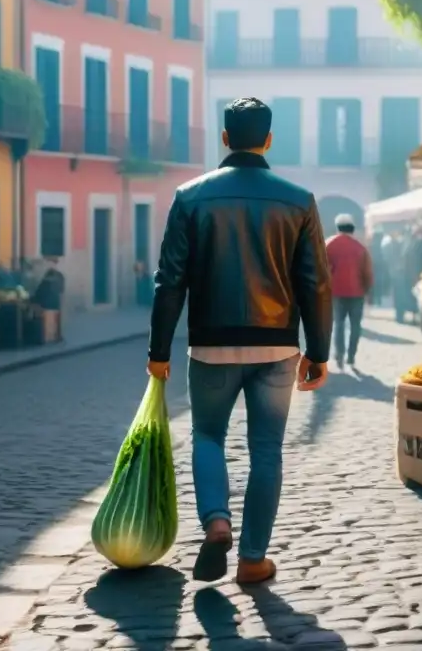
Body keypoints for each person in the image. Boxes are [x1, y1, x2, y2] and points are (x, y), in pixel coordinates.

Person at [147, 96, 333, 586]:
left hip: (210, 345)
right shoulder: (299, 200)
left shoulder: (189, 197)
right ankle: (252, 559)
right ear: (268, 139)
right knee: (266, 449)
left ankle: (216, 523)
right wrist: (319, 351)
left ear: (224, 138)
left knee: (207, 435)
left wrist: (158, 352)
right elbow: (315, 282)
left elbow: (170, 281)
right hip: (277, 347)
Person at [325, 213, 373, 368]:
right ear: (352, 228)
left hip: (335, 292)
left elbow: (320, 269)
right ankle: (351, 356)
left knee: (338, 324)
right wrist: (368, 291)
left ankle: (339, 354)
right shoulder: (360, 247)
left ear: (337, 228)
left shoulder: (328, 245)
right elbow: (367, 272)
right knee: (355, 325)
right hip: (357, 292)